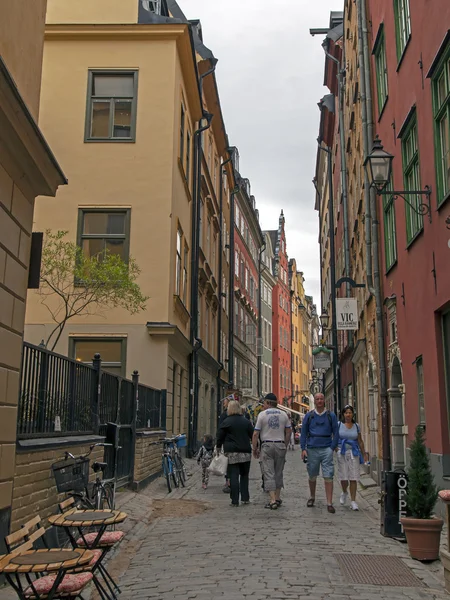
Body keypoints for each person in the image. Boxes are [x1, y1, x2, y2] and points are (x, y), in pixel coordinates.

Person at [300, 393, 339, 514]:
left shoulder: (330, 415)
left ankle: (329, 502)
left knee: (328, 475)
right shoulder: (309, 416)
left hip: (326, 448)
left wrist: (332, 447)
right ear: (315, 401)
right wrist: (303, 448)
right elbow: (304, 433)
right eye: (317, 399)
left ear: (324, 401)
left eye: (321, 399)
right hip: (312, 448)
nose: (320, 401)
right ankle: (312, 496)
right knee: (312, 474)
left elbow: (336, 432)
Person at [252, 393, 291, 510]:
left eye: (264, 403)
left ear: (268, 403)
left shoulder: (262, 415)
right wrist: (285, 444)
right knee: (279, 472)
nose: (263, 405)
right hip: (280, 444)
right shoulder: (284, 415)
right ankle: (278, 497)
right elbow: (288, 432)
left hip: (267, 445)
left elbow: (255, 433)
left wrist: (255, 448)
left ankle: (272, 500)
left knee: (269, 473)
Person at [217, 400, 254, 507]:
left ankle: (234, 500)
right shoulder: (246, 421)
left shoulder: (226, 422)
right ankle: (245, 498)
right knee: (244, 475)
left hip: (231, 452)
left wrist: (219, 447)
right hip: (245, 451)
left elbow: (220, 436)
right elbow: (253, 434)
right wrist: (256, 447)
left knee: (233, 475)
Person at [337, 405, 369, 511]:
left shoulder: (356, 426)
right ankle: (344, 491)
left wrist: (364, 453)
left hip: (354, 453)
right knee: (344, 478)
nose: (348, 415)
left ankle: (353, 501)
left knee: (353, 477)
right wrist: (336, 449)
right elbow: (334, 438)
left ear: (352, 414)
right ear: (343, 414)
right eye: (346, 412)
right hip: (342, 452)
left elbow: (360, 440)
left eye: (350, 412)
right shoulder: (339, 425)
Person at [218, 396, 232, 493]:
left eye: (225, 402)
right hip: (236, 442)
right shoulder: (239, 415)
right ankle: (231, 481)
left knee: (227, 462)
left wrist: (218, 444)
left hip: (226, 442)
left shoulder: (224, 415)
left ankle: (228, 481)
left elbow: (221, 430)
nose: (223, 404)